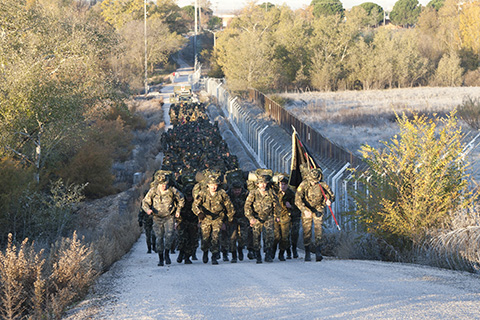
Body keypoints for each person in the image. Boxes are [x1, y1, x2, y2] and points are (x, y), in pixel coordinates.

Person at [142, 173, 185, 267]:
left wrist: (178, 210)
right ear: (158, 184)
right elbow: (145, 202)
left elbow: (181, 199)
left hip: (169, 216)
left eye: (165, 184)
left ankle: (167, 253)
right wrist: (148, 210)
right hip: (157, 217)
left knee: (169, 236)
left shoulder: (172, 190)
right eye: (162, 184)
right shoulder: (153, 191)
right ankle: (161, 258)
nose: (164, 186)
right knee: (159, 238)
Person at [193, 176, 235, 265]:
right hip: (206, 218)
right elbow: (195, 205)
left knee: (215, 237)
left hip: (218, 218)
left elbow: (229, 206)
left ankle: (214, 256)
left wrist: (229, 219)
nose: (214, 187)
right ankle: (205, 252)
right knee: (205, 237)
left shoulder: (222, 193)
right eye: (212, 185)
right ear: (208, 185)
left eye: (215, 185)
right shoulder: (203, 193)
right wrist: (199, 213)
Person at [295, 168, 334, 262]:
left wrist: (329, 201)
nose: (313, 183)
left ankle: (318, 252)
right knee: (307, 231)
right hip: (307, 209)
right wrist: (304, 210)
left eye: (315, 181)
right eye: (312, 181)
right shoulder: (303, 184)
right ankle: (307, 252)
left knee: (318, 230)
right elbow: (297, 200)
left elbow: (332, 195)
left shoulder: (323, 185)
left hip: (318, 208)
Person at [244, 175, 279, 264]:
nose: (263, 185)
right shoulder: (253, 193)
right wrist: (250, 218)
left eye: (264, 183)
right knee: (256, 237)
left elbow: (276, 205)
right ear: (257, 184)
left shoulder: (270, 193)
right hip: (256, 218)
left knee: (269, 237)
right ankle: (258, 254)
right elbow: (247, 206)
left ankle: (268, 254)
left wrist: (277, 216)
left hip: (268, 217)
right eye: (261, 183)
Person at [274, 175, 300, 261]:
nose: (283, 186)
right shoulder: (276, 194)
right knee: (277, 236)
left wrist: (291, 206)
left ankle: (290, 251)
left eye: (284, 184)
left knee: (288, 235)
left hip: (290, 216)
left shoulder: (292, 194)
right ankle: (274, 253)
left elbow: (298, 206)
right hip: (278, 216)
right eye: (281, 184)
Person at [227, 180, 249, 263]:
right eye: (235, 190)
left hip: (243, 217)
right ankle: (233, 255)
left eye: (238, 190)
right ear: (232, 189)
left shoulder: (246, 194)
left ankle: (240, 249)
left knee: (243, 237)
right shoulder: (228, 195)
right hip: (232, 218)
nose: (237, 192)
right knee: (232, 238)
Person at [176, 184, 198, 264]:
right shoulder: (181, 202)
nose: (189, 198)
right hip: (183, 222)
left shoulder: (196, 201)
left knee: (192, 240)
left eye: (190, 196)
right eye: (188, 196)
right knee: (182, 239)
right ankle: (181, 253)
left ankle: (187, 257)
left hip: (193, 223)